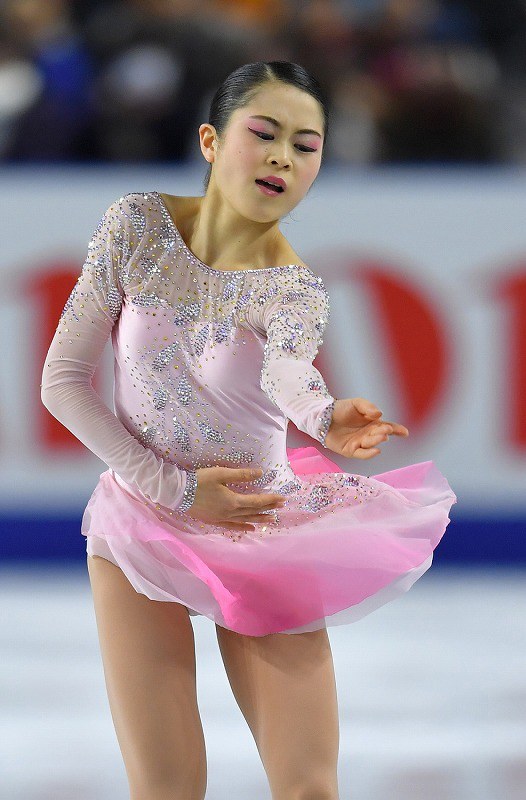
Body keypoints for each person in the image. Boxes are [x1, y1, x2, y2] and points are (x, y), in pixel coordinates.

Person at [41, 61, 456, 800]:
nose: (281, 157)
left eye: (306, 145)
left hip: (262, 523)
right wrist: (169, 488)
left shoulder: (294, 289)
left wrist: (328, 418)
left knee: (307, 789)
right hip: (141, 517)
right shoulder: (135, 226)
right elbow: (63, 382)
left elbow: (289, 377)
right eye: (264, 134)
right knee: (166, 789)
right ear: (210, 139)